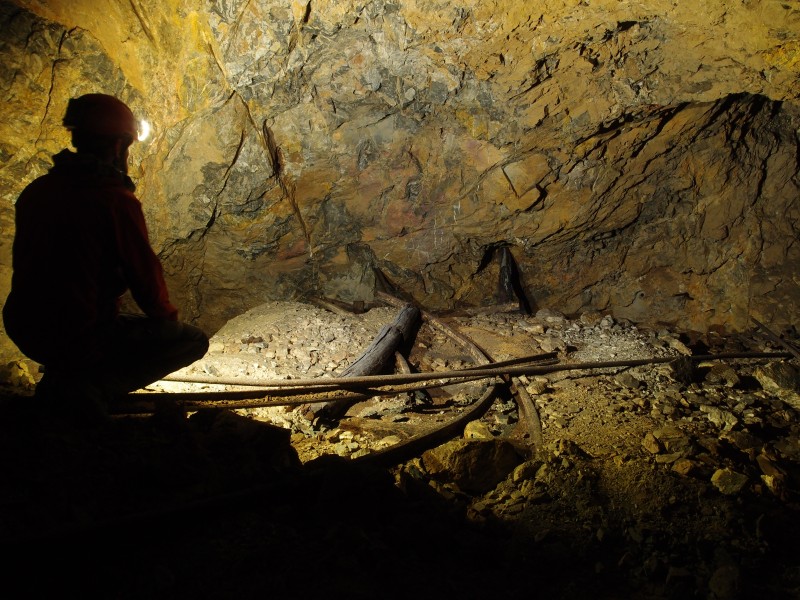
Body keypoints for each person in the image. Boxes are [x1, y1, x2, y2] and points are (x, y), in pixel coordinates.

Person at [2, 93, 209, 421]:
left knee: (78, 328)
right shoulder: (114, 201)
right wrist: (165, 327)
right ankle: (88, 390)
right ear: (118, 146)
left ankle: (64, 377)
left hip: (23, 326)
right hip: (77, 334)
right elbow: (145, 279)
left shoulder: (37, 191)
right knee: (192, 341)